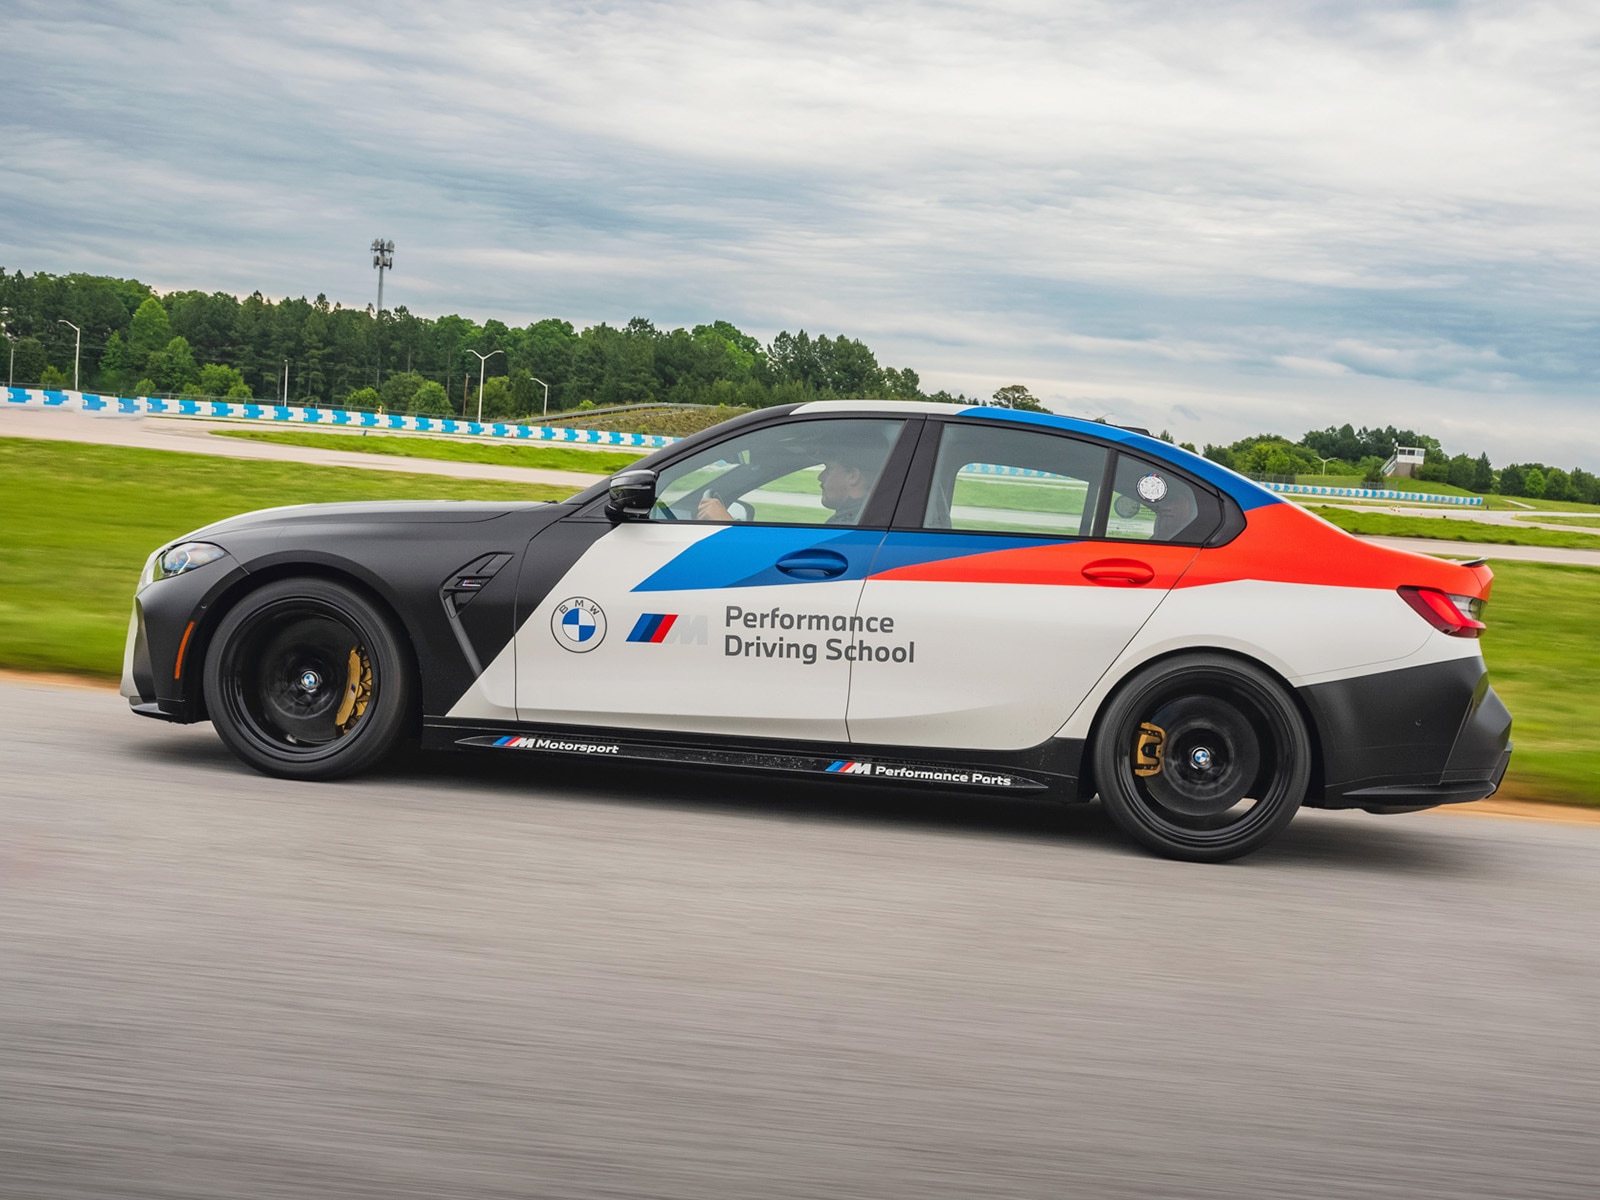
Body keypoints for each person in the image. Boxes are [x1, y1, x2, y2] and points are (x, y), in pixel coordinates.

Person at [696, 448, 879, 524]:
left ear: (853, 476)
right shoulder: (859, 517)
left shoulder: (850, 523)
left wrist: (728, 527)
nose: (820, 477)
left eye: (828, 469)